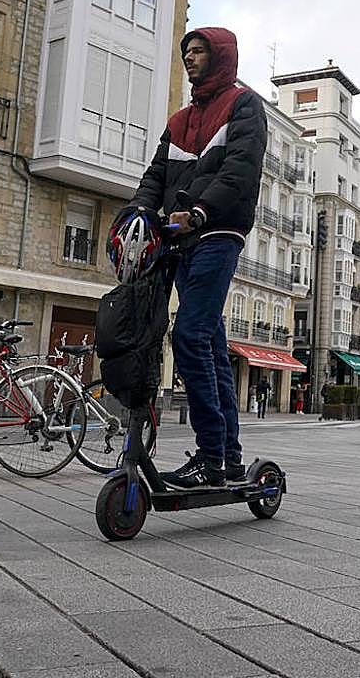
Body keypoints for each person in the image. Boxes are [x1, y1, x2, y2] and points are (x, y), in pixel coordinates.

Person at [126, 26, 266, 488]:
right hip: (178, 240)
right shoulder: (180, 120)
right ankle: (226, 457)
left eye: (199, 50)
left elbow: (239, 173)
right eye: (186, 51)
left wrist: (199, 213)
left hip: (218, 234)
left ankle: (210, 453)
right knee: (207, 344)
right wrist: (139, 211)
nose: (189, 57)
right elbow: (155, 175)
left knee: (189, 336)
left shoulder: (243, 106)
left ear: (221, 55)